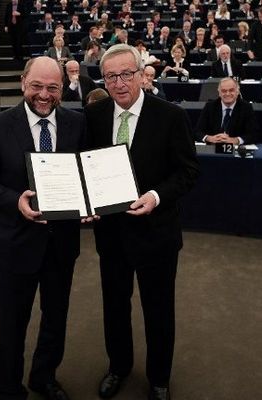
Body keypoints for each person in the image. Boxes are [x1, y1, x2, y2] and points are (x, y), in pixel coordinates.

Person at [84, 43, 199, 400]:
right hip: (111, 234)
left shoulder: (170, 116)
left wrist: (156, 196)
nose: (119, 83)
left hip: (157, 235)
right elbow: (84, 166)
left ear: (142, 74)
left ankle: (159, 378)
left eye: (126, 74)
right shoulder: (95, 115)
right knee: (115, 307)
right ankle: (118, 367)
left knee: (158, 310)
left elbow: (188, 171)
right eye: (110, 76)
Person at [0, 56, 85, 400]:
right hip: (14, 247)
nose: (44, 95)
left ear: (62, 89)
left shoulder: (76, 123)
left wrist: (90, 204)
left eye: (52, 87)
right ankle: (9, 389)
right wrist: (14, 200)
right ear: (23, 83)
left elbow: (84, 172)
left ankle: (43, 377)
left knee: (55, 319)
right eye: (37, 86)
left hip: (61, 245)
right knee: (12, 326)